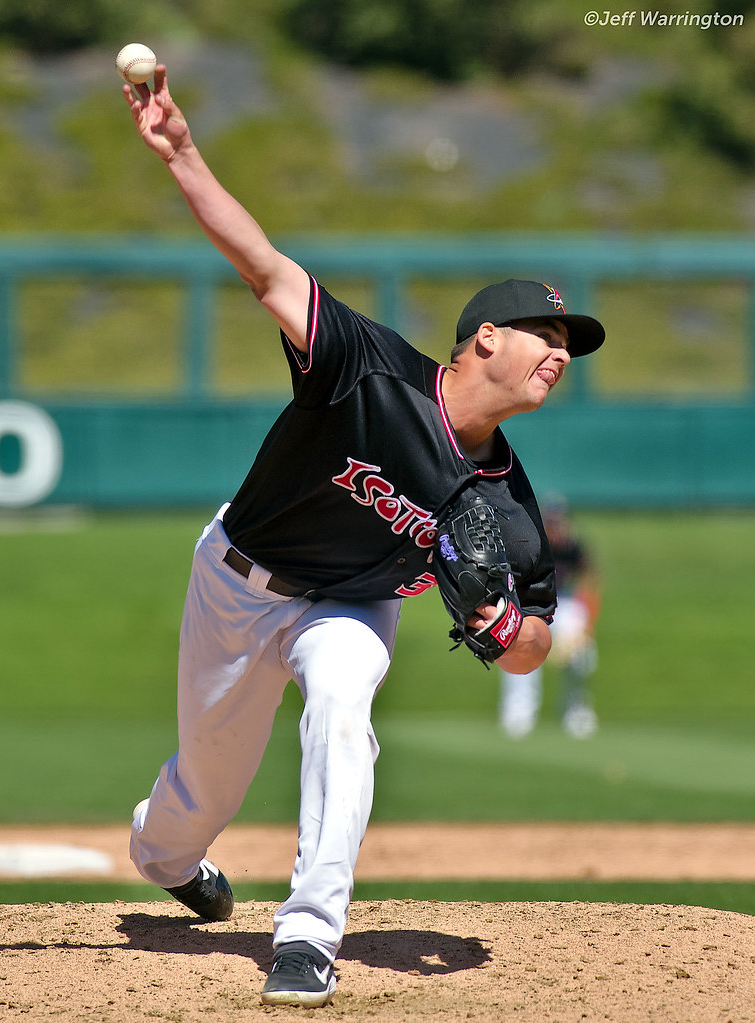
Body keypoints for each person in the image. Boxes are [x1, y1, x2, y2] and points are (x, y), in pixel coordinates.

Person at [122, 65, 605, 1008]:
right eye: (544, 330)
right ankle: (164, 849)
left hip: (350, 605)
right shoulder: (367, 367)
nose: (559, 350)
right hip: (237, 579)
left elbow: (535, 643)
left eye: (570, 343)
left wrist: (506, 630)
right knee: (200, 797)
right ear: (482, 340)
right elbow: (263, 265)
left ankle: (306, 936)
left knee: (344, 707)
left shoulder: (508, 499)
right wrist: (181, 153)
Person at [498, 496, 602, 739]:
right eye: (550, 521)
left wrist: (586, 622)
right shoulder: (531, 543)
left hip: (563, 603)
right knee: (520, 646)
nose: (554, 526)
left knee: (582, 652)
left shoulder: (572, 547)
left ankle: (576, 711)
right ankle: (518, 712)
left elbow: (590, 579)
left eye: (558, 521)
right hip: (530, 602)